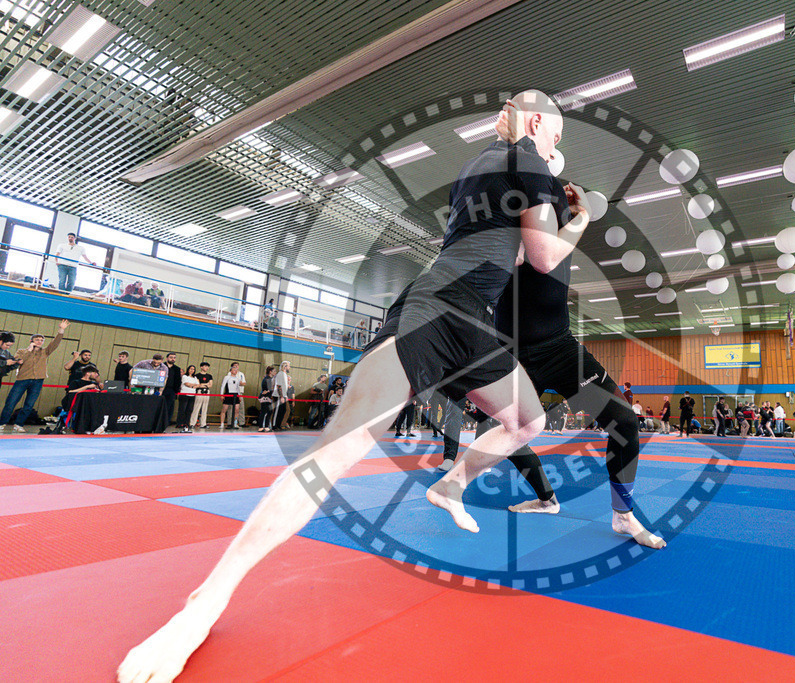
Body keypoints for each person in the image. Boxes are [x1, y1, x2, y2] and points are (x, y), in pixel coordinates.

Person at [118, 89, 588, 683]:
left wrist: (544, 184)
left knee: (528, 419)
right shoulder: (526, 159)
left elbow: (514, 256)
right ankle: (203, 603)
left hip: (476, 322)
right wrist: (580, 215)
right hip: (434, 312)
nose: (557, 146)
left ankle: (450, 485)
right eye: (555, 134)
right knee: (341, 443)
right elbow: (545, 259)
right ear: (540, 124)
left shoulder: (486, 167)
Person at [0, 320, 69, 432]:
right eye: (37, 340)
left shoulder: (45, 352)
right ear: (31, 340)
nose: (39, 342)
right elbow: (20, 361)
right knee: (11, 402)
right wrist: (29, 349)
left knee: (29, 404)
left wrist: (61, 330)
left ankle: (19, 424)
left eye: (41, 340)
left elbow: (55, 343)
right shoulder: (22, 351)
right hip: (22, 380)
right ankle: (2, 423)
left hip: (38, 381)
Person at [219, 362, 245, 430]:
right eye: (234, 370)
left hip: (235, 394)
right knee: (224, 409)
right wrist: (222, 395)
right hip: (228, 393)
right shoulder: (227, 377)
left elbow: (238, 388)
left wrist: (239, 396)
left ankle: (235, 423)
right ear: (231, 371)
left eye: (236, 370)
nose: (235, 371)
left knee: (237, 410)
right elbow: (223, 386)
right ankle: (222, 423)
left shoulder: (238, 379)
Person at [190, 362, 213, 429]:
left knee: (205, 408)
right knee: (196, 407)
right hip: (199, 391)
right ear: (201, 367)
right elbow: (198, 384)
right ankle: (192, 423)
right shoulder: (197, 375)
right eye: (205, 366)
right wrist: (206, 384)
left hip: (207, 392)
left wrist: (204, 385)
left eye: (207, 366)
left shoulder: (209, 376)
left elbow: (210, 385)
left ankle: (203, 423)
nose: (206, 368)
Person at [177, 366, 199, 433]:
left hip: (192, 394)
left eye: (193, 369)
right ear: (188, 369)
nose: (192, 370)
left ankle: (187, 423)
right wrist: (193, 385)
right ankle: (180, 423)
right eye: (191, 369)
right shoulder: (184, 376)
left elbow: (198, 385)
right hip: (184, 394)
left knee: (189, 409)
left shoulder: (195, 377)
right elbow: (186, 384)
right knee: (182, 409)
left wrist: (192, 385)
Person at [163, 352, 182, 425]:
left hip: (171, 390)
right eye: (171, 357)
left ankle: (166, 423)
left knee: (169, 408)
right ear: (167, 358)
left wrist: (176, 391)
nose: (173, 359)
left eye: (174, 357)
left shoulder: (177, 369)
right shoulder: (162, 366)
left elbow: (178, 381)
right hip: (161, 389)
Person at [272, 360, 291, 431]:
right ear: (285, 366)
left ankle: (278, 424)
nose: (290, 367)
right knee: (277, 411)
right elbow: (279, 386)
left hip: (283, 395)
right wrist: (281, 396)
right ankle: (274, 425)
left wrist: (285, 396)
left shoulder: (285, 375)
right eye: (289, 366)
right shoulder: (280, 374)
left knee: (283, 410)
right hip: (278, 395)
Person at [258, 365, 276, 432]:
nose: (275, 372)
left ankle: (265, 426)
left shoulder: (268, 378)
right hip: (265, 397)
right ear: (270, 372)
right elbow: (270, 389)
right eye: (274, 371)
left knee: (269, 411)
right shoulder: (268, 379)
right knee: (264, 411)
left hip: (267, 397)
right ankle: (261, 427)